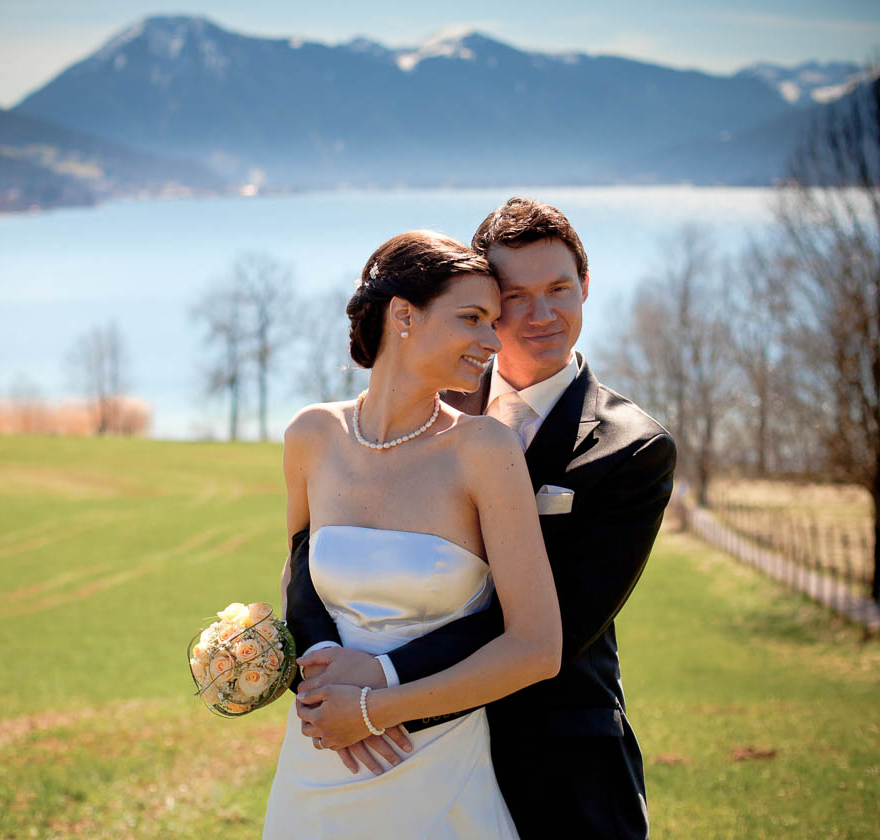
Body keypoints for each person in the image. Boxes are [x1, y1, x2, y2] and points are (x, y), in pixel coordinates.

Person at [287, 198, 677, 839]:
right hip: (383, 753)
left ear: (585, 286)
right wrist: (328, 670)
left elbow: (559, 625)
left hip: (554, 754)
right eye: (515, 297)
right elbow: (314, 553)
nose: (541, 314)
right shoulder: (432, 394)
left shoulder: (632, 448)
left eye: (558, 289)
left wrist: (381, 690)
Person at [262, 230, 564, 838]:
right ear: (404, 316)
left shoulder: (484, 449)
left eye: (493, 323)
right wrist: (318, 685)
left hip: (433, 761)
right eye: (472, 319)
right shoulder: (311, 436)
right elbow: (301, 586)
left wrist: (373, 709)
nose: (492, 341)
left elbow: (536, 647)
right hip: (318, 761)